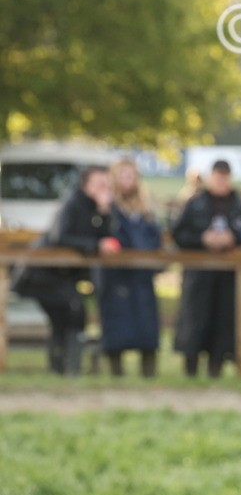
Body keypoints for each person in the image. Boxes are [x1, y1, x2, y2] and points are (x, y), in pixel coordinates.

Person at [15, 166, 120, 376]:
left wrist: (105, 212)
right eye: (99, 184)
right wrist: (94, 245)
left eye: (106, 184)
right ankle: (66, 368)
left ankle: (65, 368)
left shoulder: (98, 209)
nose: (104, 188)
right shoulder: (72, 204)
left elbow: (106, 236)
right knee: (71, 311)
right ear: (86, 185)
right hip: (41, 273)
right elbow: (59, 237)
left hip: (63, 275)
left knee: (68, 317)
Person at [171, 159, 241, 377]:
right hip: (198, 277)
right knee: (195, 322)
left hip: (228, 278)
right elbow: (178, 233)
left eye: (224, 177)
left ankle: (216, 370)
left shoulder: (240, 206)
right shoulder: (195, 204)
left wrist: (234, 237)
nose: (221, 181)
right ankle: (190, 370)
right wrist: (203, 239)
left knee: (222, 322)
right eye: (217, 177)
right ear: (211, 177)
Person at [96, 157, 162, 377]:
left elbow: (155, 239)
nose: (129, 181)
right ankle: (116, 373)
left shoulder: (145, 211)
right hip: (116, 277)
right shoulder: (106, 209)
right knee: (117, 324)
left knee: (146, 326)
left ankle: (148, 373)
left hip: (141, 277)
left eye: (132, 176)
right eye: (124, 175)